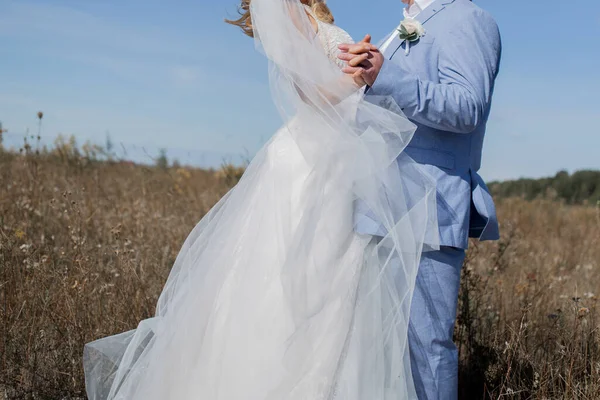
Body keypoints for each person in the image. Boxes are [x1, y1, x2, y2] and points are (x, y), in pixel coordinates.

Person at [82, 1, 440, 399]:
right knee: (308, 282)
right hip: (314, 161)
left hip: (332, 153)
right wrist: (357, 80)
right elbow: (307, 91)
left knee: (334, 277)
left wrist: (361, 67)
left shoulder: (305, 9)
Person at [339, 0, 502, 398]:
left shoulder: (468, 18)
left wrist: (386, 77)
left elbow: (468, 108)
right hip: (382, 205)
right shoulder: (405, 26)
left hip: (428, 206)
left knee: (425, 348)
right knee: (381, 346)